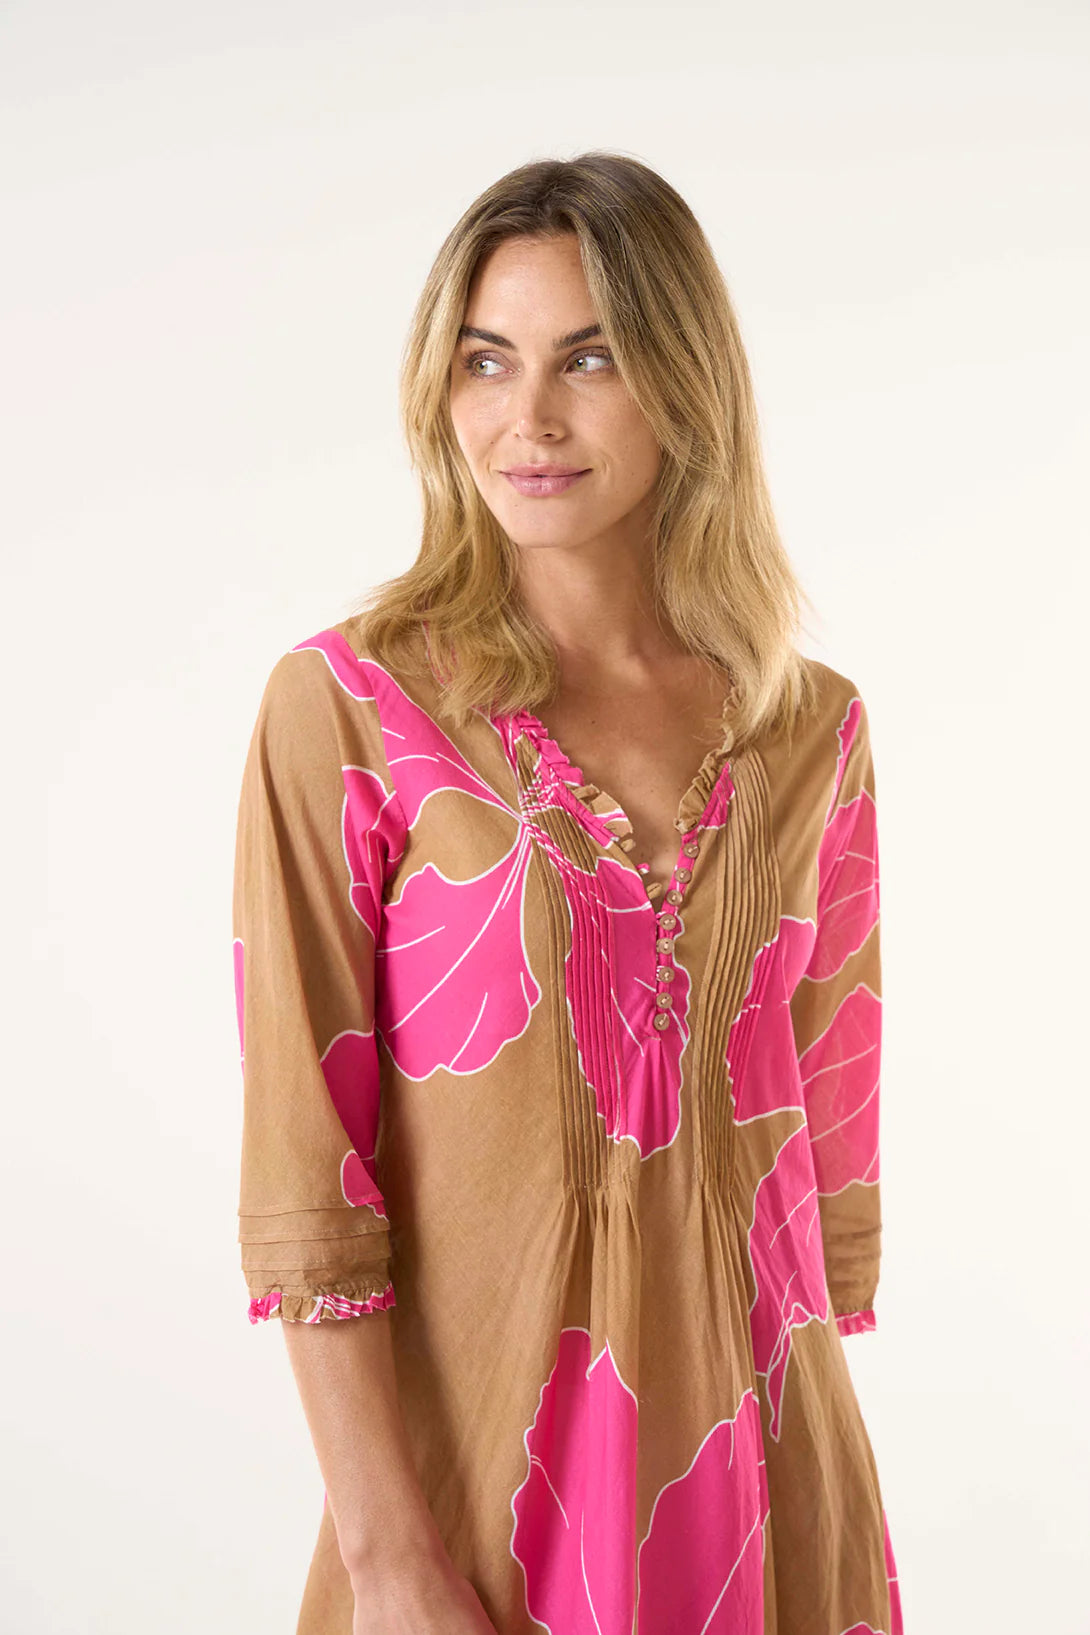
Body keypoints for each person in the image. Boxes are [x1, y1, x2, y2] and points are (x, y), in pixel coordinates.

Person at [231, 151, 904, 1635]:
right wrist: (389, 1563)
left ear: (684, 382)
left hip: (768, 1489)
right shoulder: (347, 709)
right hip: (474, 1507)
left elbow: (815, 1175)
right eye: (486, 360)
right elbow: (305, 1179)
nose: (525, 418)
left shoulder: (813, 729)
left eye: (586, 358)